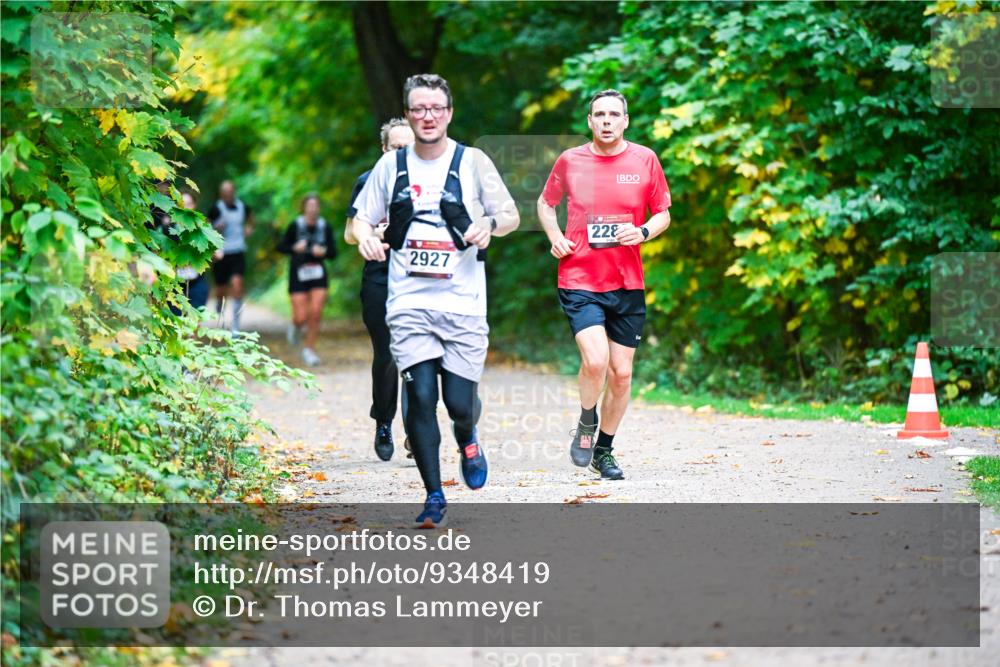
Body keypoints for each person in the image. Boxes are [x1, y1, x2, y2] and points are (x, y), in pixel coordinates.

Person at [351, 73, 519, 528]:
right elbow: (360, 222)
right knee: (421, 397)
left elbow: (510, 215)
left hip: (463, 303)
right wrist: (367, 239)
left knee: (460, 405)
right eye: (419, 109)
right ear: (408, 113)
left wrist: (488, 224)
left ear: (449, 113)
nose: (428, 116)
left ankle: (468, 439)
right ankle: (433, 495)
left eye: (436, 109)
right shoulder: (390, 167)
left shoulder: (473, 161)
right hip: (408, 302)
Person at [537, 89, 672, 481]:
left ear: (626, 121)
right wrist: (555, 235)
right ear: (590, 121)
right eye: (600, 114)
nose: (607, 120)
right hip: (579, 276)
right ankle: (585, 421)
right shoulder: (570, 161)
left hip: (627, 282)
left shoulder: (645, 159)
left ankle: (604, 451)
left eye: (615, 114)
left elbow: (663, 212)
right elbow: (546, 203)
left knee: (622, 374)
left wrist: (644, 231)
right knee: (595, 361)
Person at [345, 118, 415, 461]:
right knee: (387, 355)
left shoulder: (429, 182)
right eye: (396, 147)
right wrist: (373, 234)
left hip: (419, 277)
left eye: (409, 147)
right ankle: (384, 422)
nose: (403, 154)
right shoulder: (368, 181)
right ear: (384, 149)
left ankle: (416, 429)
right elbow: (348, 234)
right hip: (380, 276)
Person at [277, 193, 337, 367]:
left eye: (315, 206)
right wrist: (294, 248)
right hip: (298, 274)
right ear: (303, 208)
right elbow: (281, 247)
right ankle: (296, 327)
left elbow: (333, 252)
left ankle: (309, 350)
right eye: (309, 205)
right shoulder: (295, 225)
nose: (312, 209)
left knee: (316, 313)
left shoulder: (325, 226)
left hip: (318, 274)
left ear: (318, 208)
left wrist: (324, 252)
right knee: (301, 317)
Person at [207, 180, 254, 334]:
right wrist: (215, 228)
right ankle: (220, 306)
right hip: (221, 254)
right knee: (221, 290)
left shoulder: (242, 207)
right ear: (221, 194)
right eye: (224, 193)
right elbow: (205, 227)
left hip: (238, 251)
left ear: (234, 192)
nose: (227, 195)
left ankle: (235, 325)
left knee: (237, 284)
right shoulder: (216, 208)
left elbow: (251, 218)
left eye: (230, 192)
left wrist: (248, 227)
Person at [177, 190, 210, 311]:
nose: (186, 207)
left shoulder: (203, 226)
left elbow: (214, 250)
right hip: (175, 286)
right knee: (177, 325)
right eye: (182, 204)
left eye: (189, 204)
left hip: (197, 283)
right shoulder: (169, 227)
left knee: (195, 325)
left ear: (194, 205)